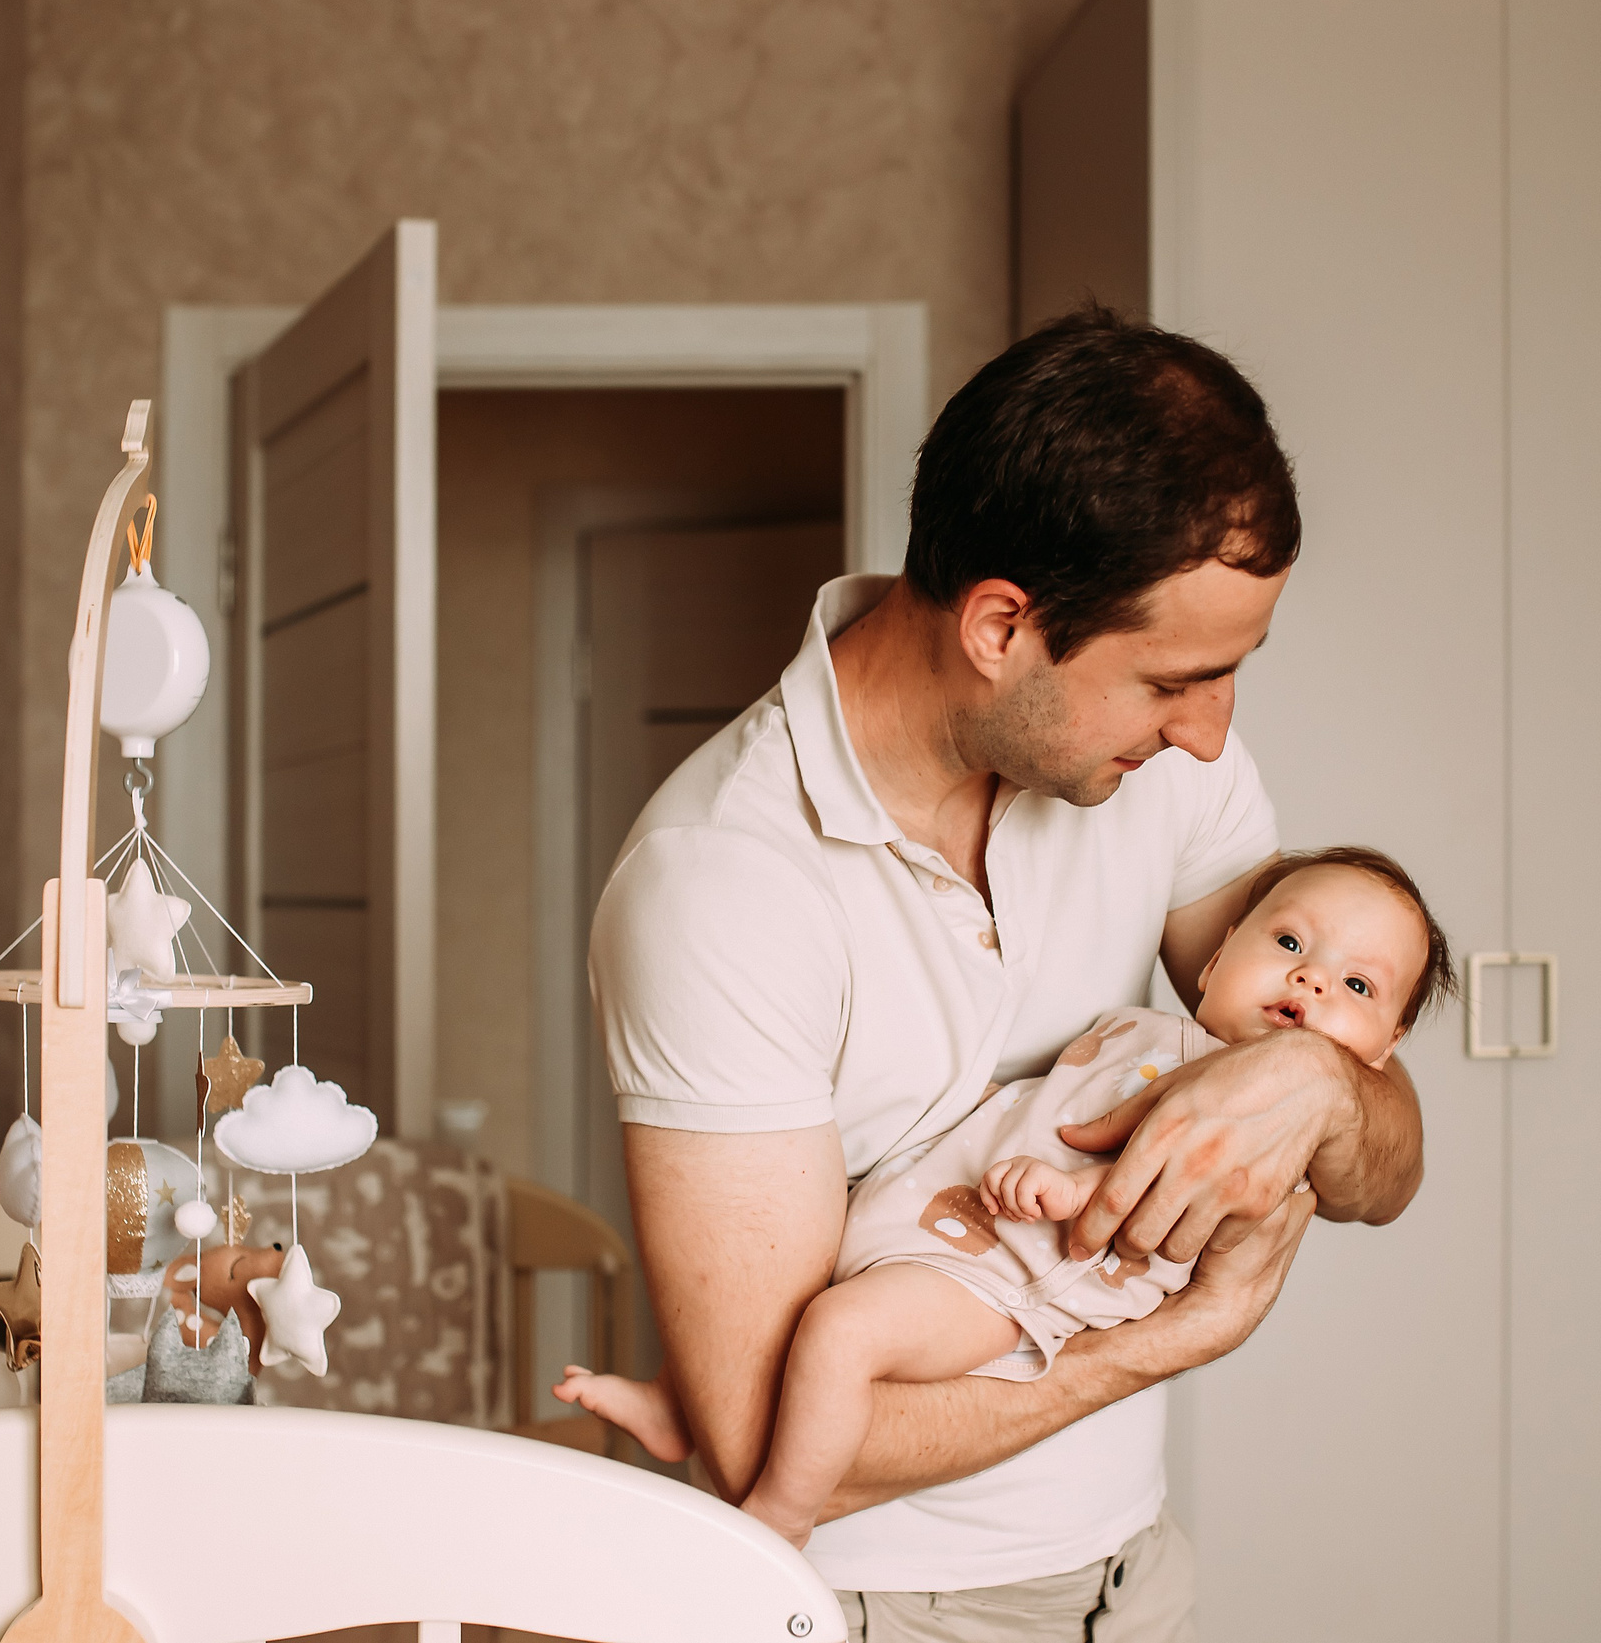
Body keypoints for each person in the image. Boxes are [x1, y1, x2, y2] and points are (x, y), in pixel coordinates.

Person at [587, 308, 1426, 1640]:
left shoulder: (1161, 777)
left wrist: (1321, 1085)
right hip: (874, 1605)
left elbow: (1375, 1152)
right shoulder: (721, 887)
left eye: (1233, 675)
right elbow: (768, 1448)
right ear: (999, 625)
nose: (1211, 735)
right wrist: (1171, 1338)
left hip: (1127, 1576)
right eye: (1178, 680)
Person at [561, 847, 1455, 1550]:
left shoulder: (1257, 1128)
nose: (1309, 982)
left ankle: (782, 1516)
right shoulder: (1166, 1033)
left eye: (1357, 987)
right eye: (1291, 945)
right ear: (1220, 955)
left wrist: (1069, 1189)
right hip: (945, 1214)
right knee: (779, 1282)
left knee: (838, 1334)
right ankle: (680, 1404)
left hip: (1011, 1272)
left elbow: (1164, 1192)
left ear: (1383, 1049)